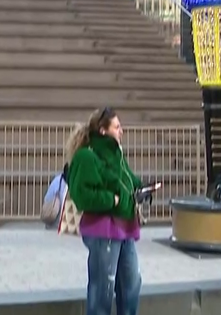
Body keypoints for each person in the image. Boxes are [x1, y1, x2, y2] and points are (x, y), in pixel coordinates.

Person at [66, 107, 157, 315]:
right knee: (102, 288)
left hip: (125, 227)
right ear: (103, 130)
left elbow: (126, 180)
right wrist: (112, 200)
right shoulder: (86, 157)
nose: (121, 131)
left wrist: (143, 188)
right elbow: (82, 194)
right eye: (117, 126)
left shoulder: (117, 154)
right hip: (103, 231)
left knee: (131, 282)